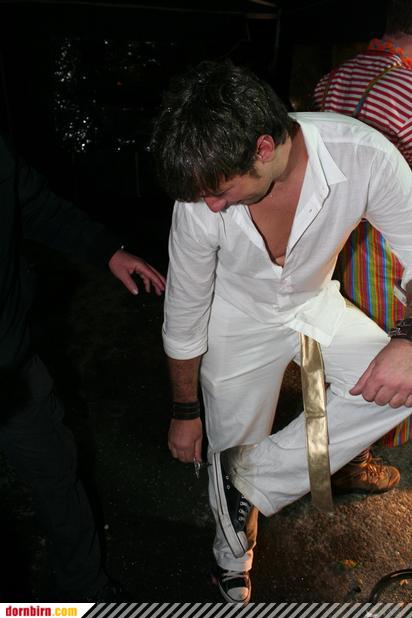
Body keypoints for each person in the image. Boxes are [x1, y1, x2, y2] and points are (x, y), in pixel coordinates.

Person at [150, 60, 412, 605]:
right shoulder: (199, 199)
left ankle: (251, 476)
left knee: (410, 376)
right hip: (235, 319)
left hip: (314, 303)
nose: (210, 205)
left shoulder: (363, 155)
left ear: (264, 148)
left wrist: (408, 339)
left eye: (221, 190)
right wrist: (184, 410)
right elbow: (184, 312)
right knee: (233, 438)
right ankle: (231, 561)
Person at [0, 133, 166, 601]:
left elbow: (34, 206)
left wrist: (107, 250)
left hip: (11, 364)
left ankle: (85, 596)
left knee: (56, 474)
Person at [313, 0, 412, 452]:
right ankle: (362, 447)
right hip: (387, 234)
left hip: (338, 226)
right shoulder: (406, 85)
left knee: (349, 321)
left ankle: (351, 440)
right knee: (388, 335)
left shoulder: (340, 74)